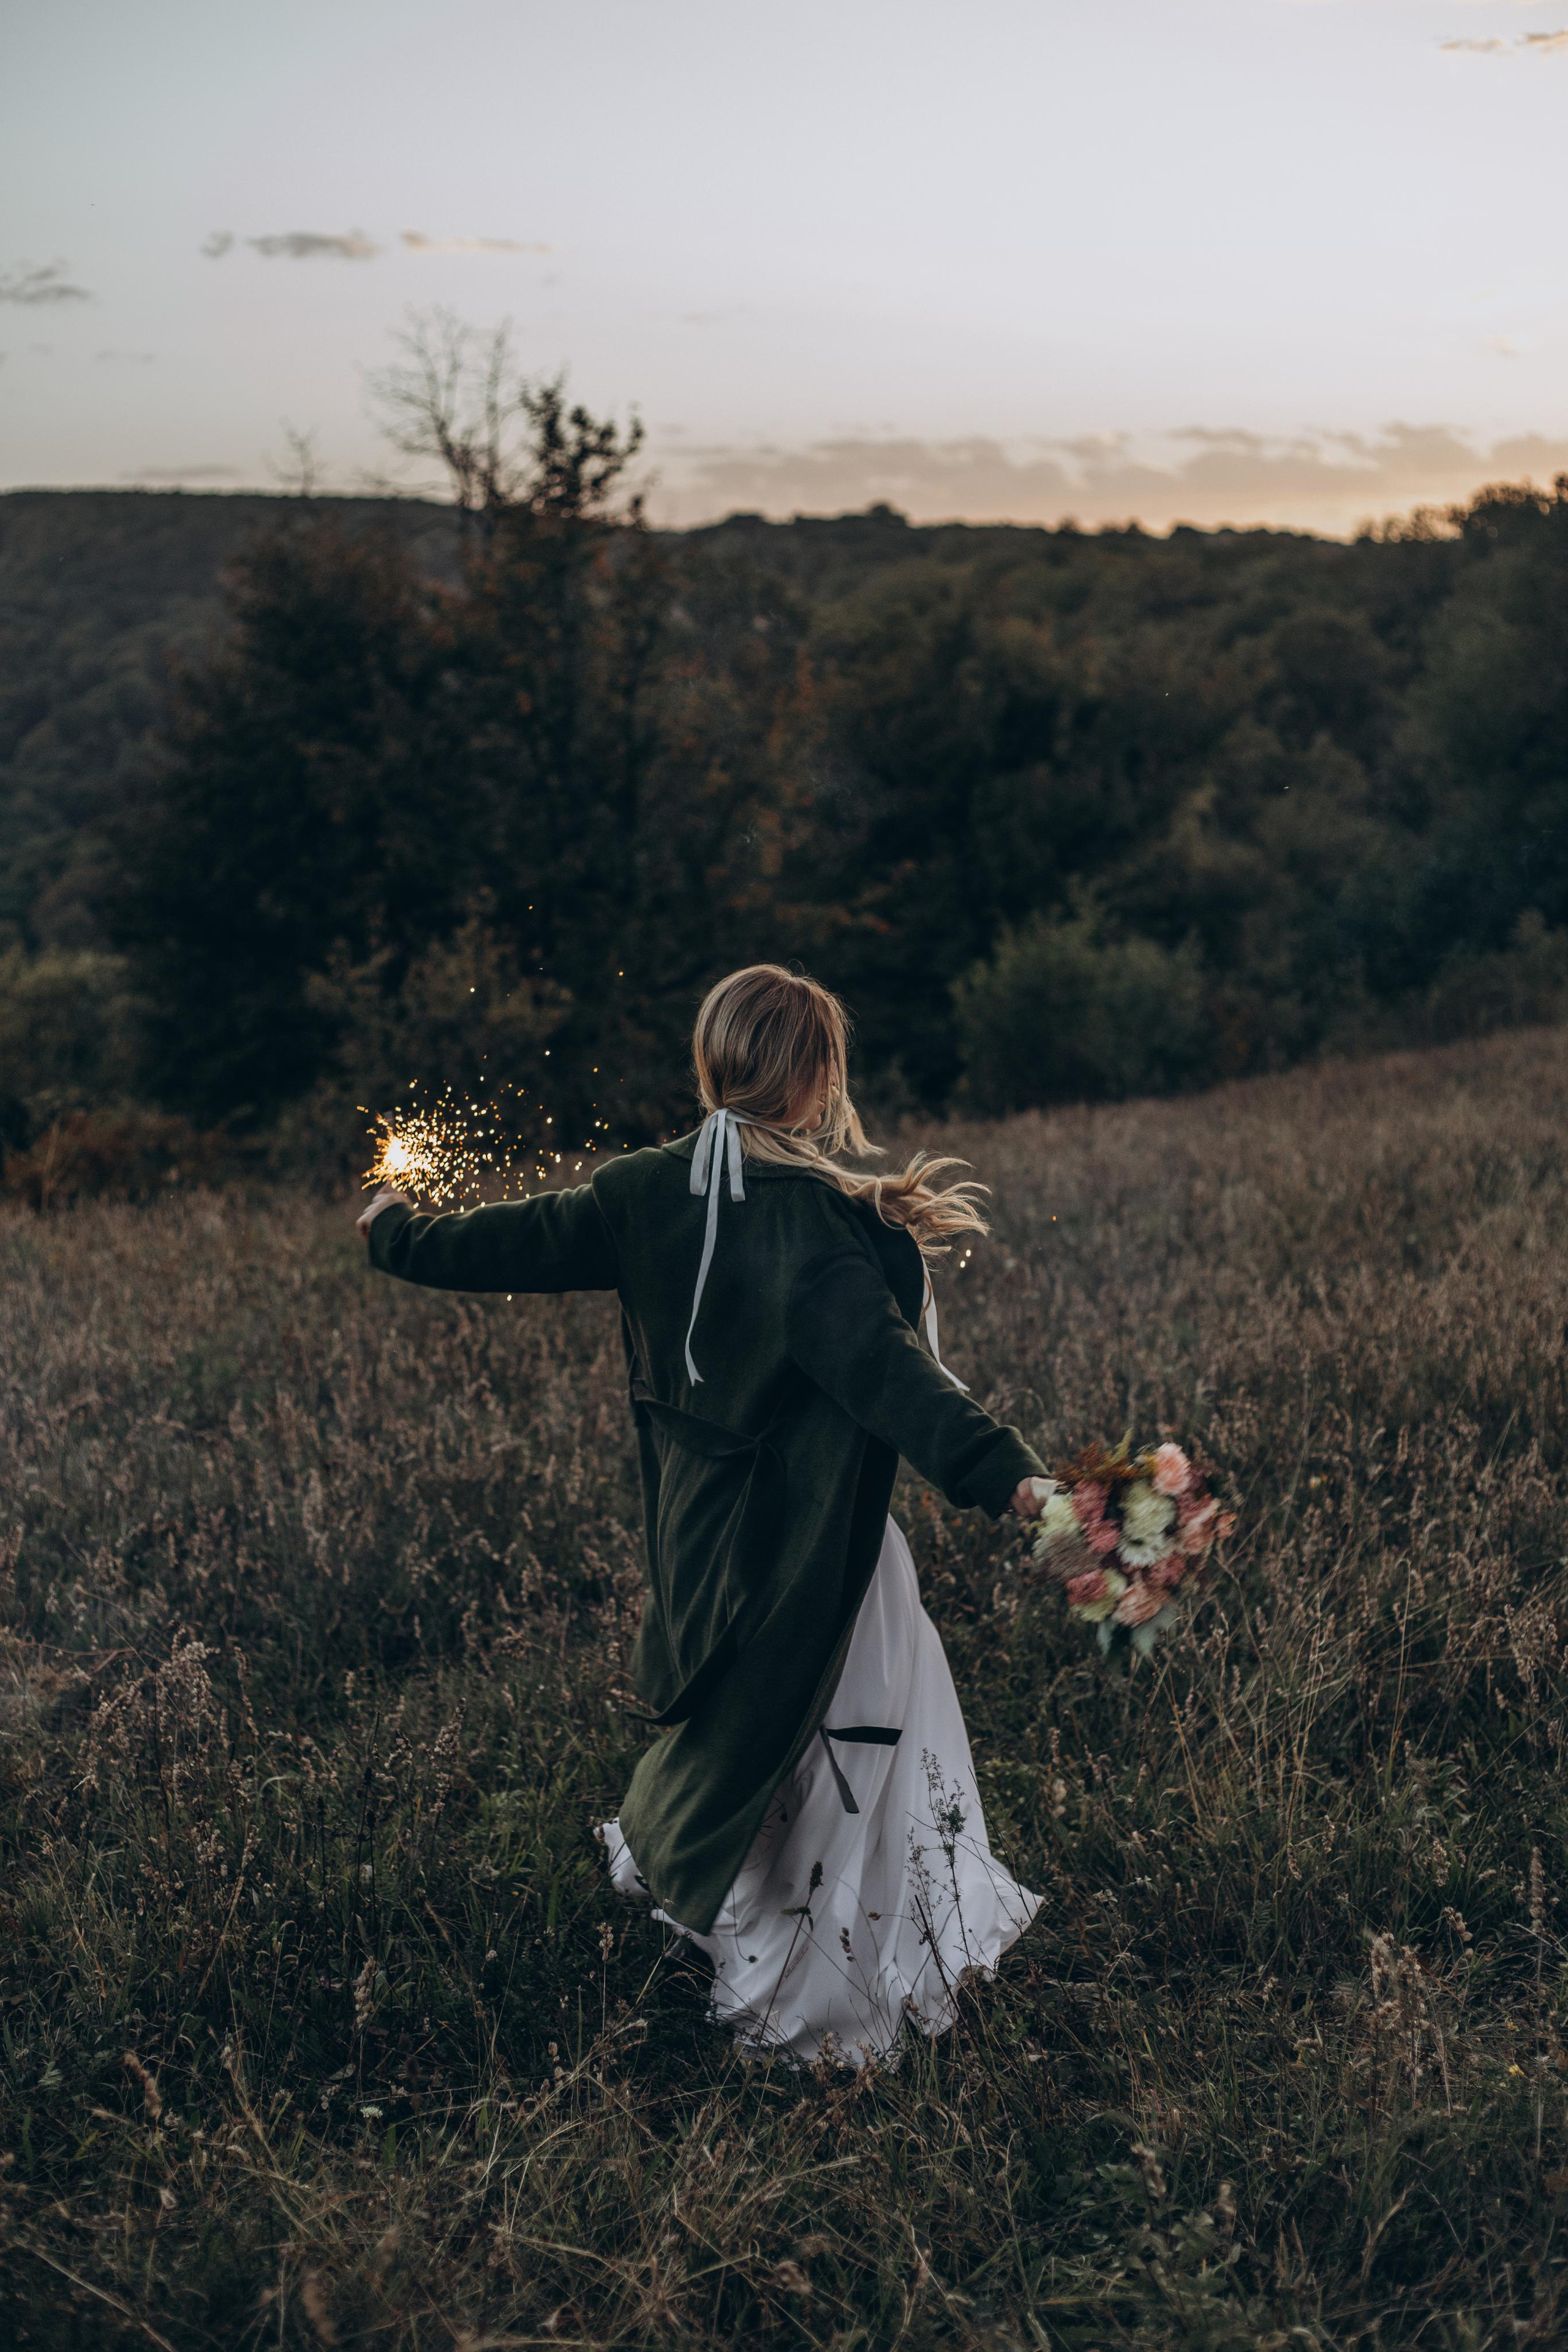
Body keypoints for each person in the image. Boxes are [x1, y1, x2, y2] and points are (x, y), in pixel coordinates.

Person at [359, 964, 1049, 2065]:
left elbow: (492, 1244)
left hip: (699, 1546)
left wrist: (393, 1225)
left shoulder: (640, 1190)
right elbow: (897, 1380)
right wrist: (1021, 1481)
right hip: (814, 1552)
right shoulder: (813, 1231)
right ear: (819, 1079)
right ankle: (816, 1994)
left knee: (747, 1738)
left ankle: (731, 1930)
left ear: (711, 1063)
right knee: (843, 1760)